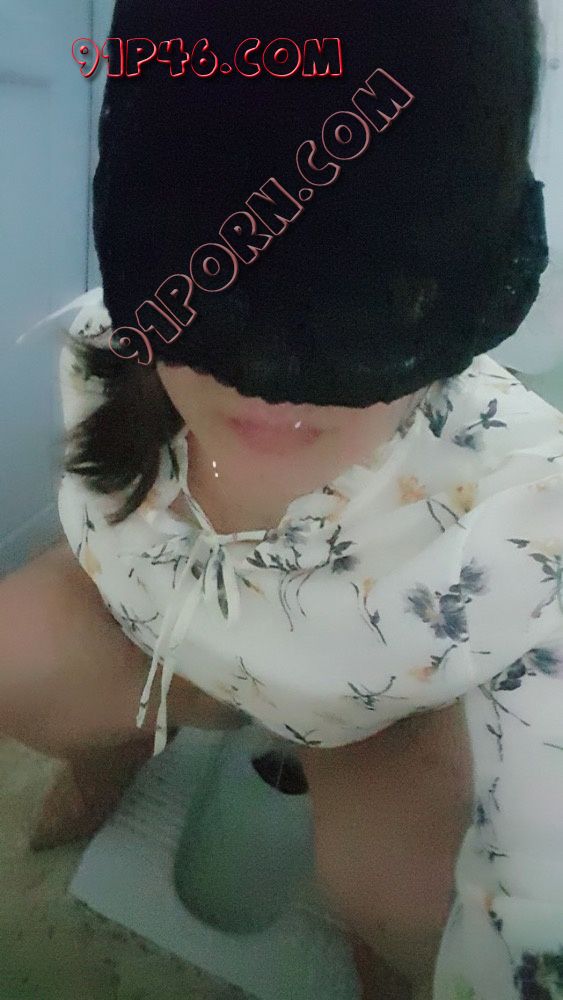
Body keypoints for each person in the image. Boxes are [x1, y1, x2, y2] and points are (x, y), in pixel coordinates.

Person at [2, 1, 562, 997]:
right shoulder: (100, 351)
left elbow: (537, 901)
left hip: (373, 713)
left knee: (402, 893)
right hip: (178, 648)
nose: (270, 372)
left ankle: (385, 943)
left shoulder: (530, 514)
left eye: (379, 270)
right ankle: (117, 751)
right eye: (216, 241)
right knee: (17, 655)